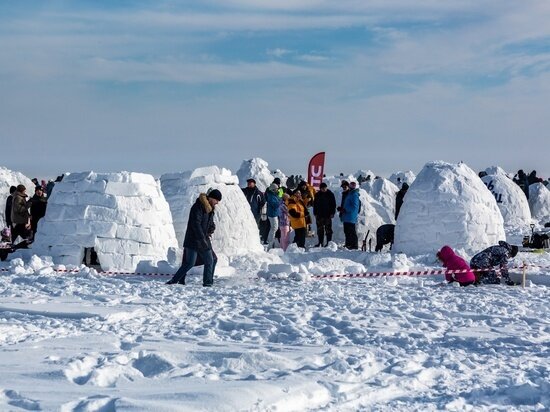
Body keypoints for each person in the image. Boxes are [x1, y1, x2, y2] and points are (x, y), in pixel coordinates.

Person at [166, 189, 222, 287]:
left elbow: (208, 222)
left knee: (211, 259)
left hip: (203, 239)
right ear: (211, 198)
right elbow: (195, 224)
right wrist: (202, 239)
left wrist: (211, 227)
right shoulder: (198, 207)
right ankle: (175, 280)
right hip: (194, 240)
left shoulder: (210, 209)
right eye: (216, 200)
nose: (217, 203)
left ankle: (208, 282)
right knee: (190, 263)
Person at [313, 182, 336, 247]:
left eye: (325, 188)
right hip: (319, 215)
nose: (323, 189)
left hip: (327, 215)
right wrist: (315, 213)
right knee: (320, 230)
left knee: (328, 229)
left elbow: (333, 205)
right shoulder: (317, 194)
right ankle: (320, 242)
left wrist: (332, 213)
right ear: (320, 188)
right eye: (322, 188)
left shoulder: (330, 194)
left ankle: (329, 243)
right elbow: (315, 204)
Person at [341, 181, 361, 249]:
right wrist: (342, 209)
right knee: (347, 231)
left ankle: (354, 245)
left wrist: (345, 210)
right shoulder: (350, 194)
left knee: (351, 232)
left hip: (350, 216)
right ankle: (348, 244)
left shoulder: (354, 194)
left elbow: (354, 207)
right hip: (347, 216)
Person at [265, 183, 281, 248]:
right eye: (276, 189)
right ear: (273, 190)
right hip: (272, 214)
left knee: (275, 228)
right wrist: (280, 201)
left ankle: (272, 241)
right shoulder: (271, 196)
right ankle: (270, 242)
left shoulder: (274, 195)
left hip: (275, 213)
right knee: (274, 228)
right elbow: (275, 205)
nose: (278, 190)